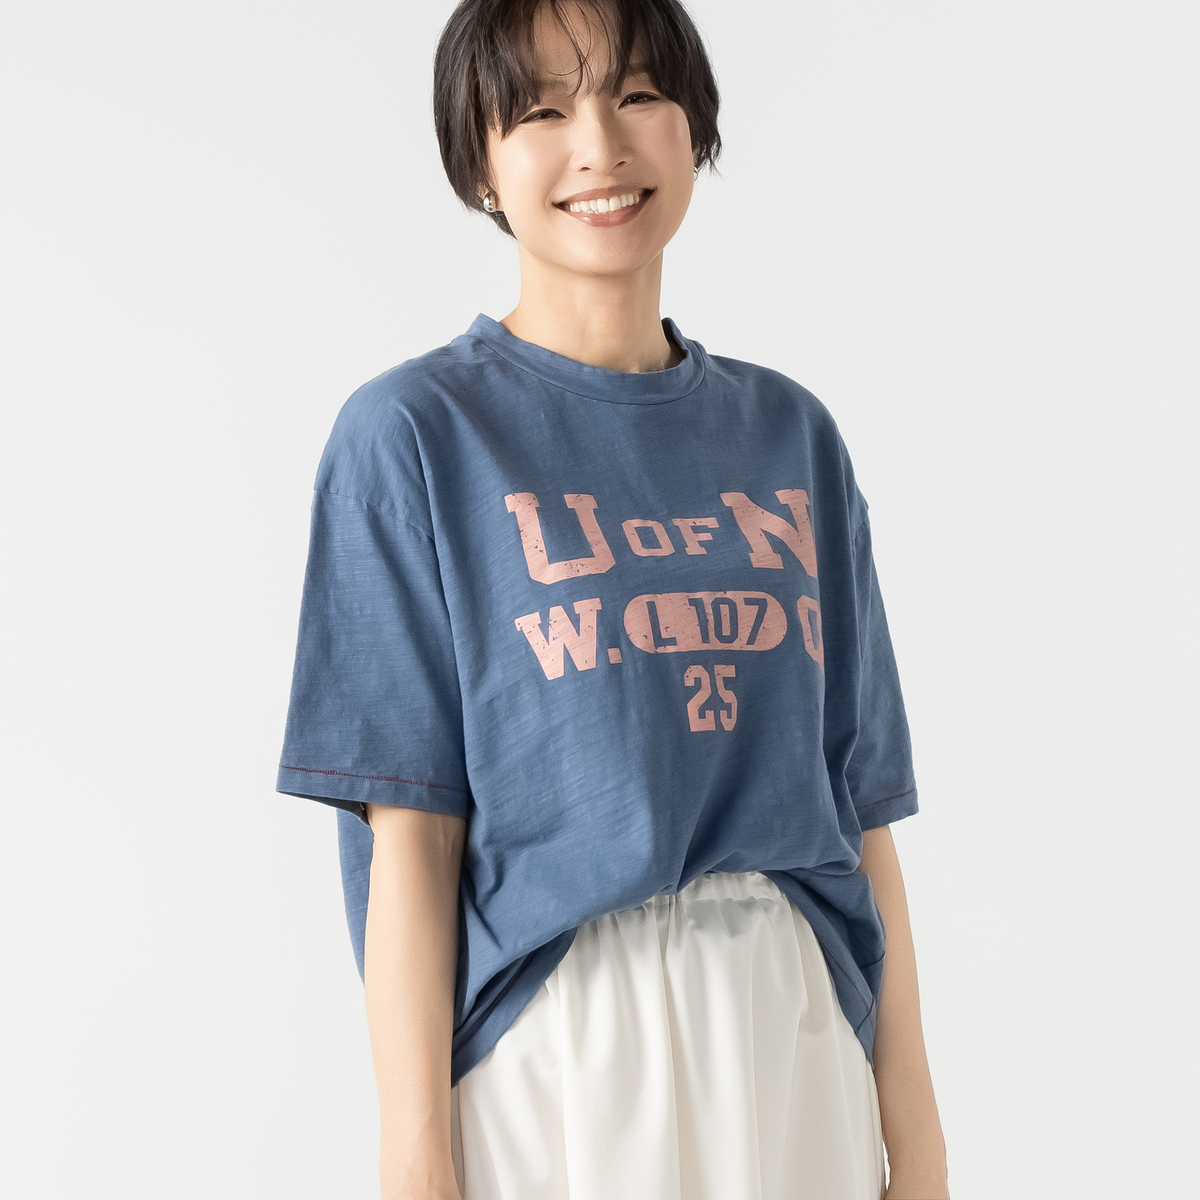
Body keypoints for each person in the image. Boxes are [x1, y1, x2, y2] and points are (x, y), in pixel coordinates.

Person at [276, 0, 950, 1196]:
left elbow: (861, 821)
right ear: (477, 162)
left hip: (792, 1022)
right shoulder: (414, 437)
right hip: (558, 1047)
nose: (600, 145)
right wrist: (415, 1155)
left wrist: (923, 1141)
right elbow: (412, 842)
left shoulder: (790, 435)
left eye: (638, 94)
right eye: (540, 111)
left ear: (694, 128)